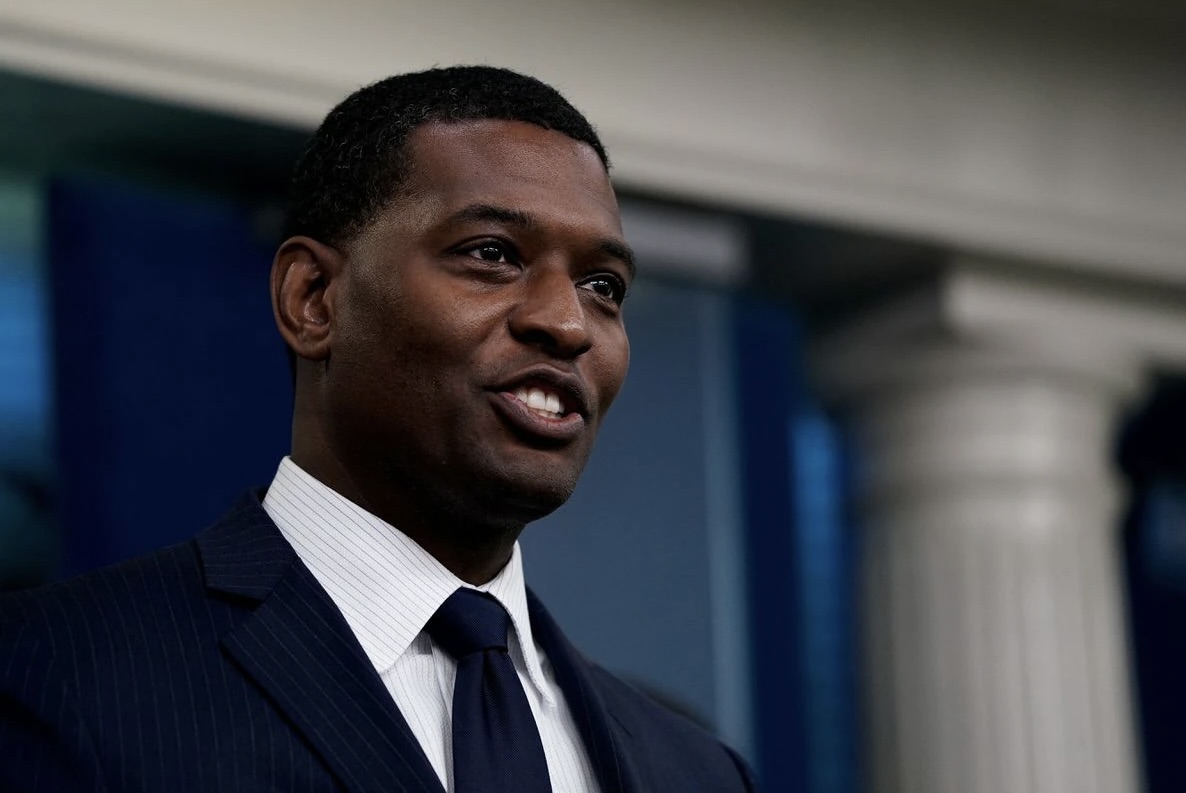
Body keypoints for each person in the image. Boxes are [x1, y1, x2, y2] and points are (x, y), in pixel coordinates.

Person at [0, 66, 757, 792]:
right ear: (314, 299)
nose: (567, 323)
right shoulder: (46, 673)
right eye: (492, 253)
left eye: (603, 286)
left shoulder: (699, 773)